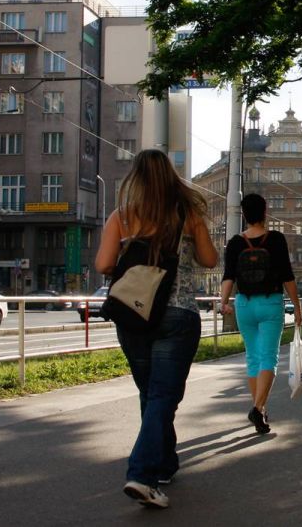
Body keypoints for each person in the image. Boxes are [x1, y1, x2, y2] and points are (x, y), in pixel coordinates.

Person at [95, 149, 218, 509]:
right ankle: (143, 475)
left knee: (151, 394)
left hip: (133, 315)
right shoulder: (187, 213)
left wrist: (130, 250)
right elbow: (210, 260)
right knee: (163, 396)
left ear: (136, 178)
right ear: (170, 176)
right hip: (177, 314)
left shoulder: (122, 216)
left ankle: (164, 462)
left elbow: (104, 264)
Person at [220, 193, 301, 434]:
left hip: (243, 305)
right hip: (270, 303)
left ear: (243, 214)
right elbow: (287, 276)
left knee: (253, 358)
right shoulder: (275, 239)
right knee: (269, 358)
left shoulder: (235, 243)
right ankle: (258, 408)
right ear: (265, 213)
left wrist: (223, 301)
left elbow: (228, 276)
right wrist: (296, 307)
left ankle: (260, 411)